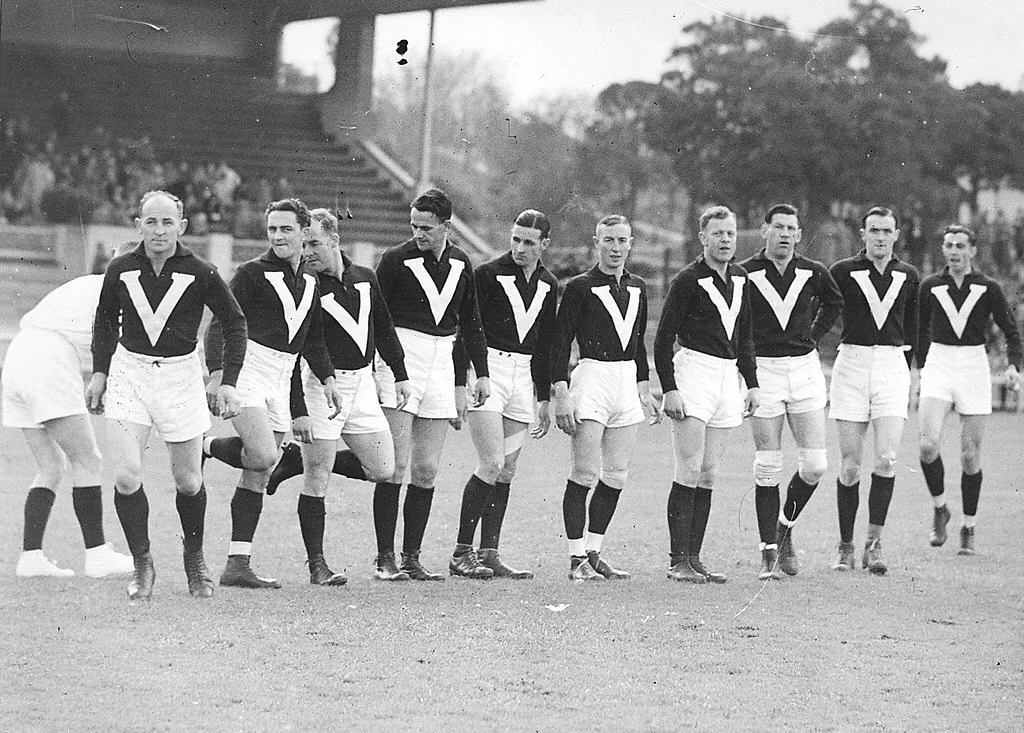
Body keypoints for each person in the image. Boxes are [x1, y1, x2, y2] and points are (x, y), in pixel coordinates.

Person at [85, 190, 247, 600]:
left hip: (179, 377)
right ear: (138, 225)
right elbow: (105, 322)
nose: (159, 230)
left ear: (182, 226)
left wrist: (226, 378)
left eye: (167, 222)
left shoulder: (202, 271)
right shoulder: (120, 267)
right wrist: (100, 372)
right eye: (150, 222)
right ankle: (143, 563)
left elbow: (234, 323)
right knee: (125, 475)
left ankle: (194, 558)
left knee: (190, 481)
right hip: (130, 373)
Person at [203, 198, 341, 589]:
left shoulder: (311, 281)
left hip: (282, 378)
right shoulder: (251, 273)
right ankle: (207, 446)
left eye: (286, 230)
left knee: (259, 472)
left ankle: (237, 563)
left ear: (303, 233)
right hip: (248, 369)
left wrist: (328, 378)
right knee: (263, 455)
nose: (278, 237)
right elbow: (219, 325)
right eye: (272, 230)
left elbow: (311, 340)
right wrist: (219, 377)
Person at [284, 208, 412, 584]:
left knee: (384, 469)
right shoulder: (306, 285)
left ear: (335, 241)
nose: (306, 251)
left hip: (363, 386)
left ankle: (297, 460)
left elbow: (385, 329)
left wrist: (400, 374)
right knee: (318, 478)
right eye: (303, 244)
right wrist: (306, 399)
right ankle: (318, 567)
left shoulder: (365, 278)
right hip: (324, 386)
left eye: (314, 243)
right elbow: (306, 344)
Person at [371, 188, 490, 581]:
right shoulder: (394, 261)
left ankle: (412, 557)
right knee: (396, 465)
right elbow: (377, 321)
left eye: (427, 227)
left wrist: (475, 376)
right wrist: (385, 369)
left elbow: (469, 323)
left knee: (426, 469)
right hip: (401, 359)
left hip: (442, 362)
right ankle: (385, 559)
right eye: (414, 226)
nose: (419, 233)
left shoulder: (461, 262)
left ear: (446, 227)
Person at [448, 209, 559, 579]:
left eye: (529, 242)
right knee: (491, 462)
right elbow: (468, 329)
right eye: (515, 239)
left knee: (507, 470)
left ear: (544, 244)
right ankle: (461, 552)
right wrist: (463, 382)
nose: (520, 248)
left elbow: (544, 344)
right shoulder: (487, 274)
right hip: (488, 372)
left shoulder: (548, 283)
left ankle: (489, 552)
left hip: (522, 377)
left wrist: (543, 396)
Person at [552, 214, 661, 582]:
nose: (616, 248)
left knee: (616, 474)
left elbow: (639, 342)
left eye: (622, 241)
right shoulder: (581, 286)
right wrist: (561, 390)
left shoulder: (639, 286)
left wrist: (644, 386)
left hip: (626, 380)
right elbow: (560, 340)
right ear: (596, 242)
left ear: (631, 243)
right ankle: (575, 558)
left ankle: (595, 552)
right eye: (609, 240)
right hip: (592, 377)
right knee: (584, 472)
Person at [4, 271, 134, 579]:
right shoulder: (118, 289)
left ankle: (31, 558)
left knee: (51, 465)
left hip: (18, 358)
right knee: (88, 460)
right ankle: (97, 554)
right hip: (48, 360)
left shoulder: (85, 285)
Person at [654, 205, 759, 585]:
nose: (726, 240)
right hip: (694, 372)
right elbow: (663, 338)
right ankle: (676, 560)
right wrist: (670, 389)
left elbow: (745, 335)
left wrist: (752, 383)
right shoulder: (687, 279)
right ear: (703, 238)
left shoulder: (743, 278)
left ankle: (694, 558)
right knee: (690, 466)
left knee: (710, 473)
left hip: (726, 377)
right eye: (718, 234)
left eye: (731, 234)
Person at [738, 204, 843, 580]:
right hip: (763, 369)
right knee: (768, 465)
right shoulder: (746, 272)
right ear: (764, 230)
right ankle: (768, 550)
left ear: (799, 235)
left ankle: (785, 527)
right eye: (777, 227)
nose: (784, 233)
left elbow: (834, 303)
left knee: (815, 465)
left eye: (791, 229)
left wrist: (811, 336)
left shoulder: (813, 271)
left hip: (804, 369)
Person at [917, 224, 1022, 555]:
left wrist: (1013, 366)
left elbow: (1010, 329)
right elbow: (919, 329)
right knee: (927, 446)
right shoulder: (931, 285)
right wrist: (920, 368)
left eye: (961, 245)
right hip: (939, 362)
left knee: (969, 454)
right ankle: (940, 508)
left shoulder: (987, 287)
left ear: (972, 251)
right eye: (949, 245)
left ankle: (969, 526)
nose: (954, 251)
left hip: (973, 365)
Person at [828, 206, 919, 575]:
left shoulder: (908, 275)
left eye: (886, 230)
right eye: (873, 230)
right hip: (851, 364)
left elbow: (912, 330)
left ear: (896, 235)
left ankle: (874, 542)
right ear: (863, 234)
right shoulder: (843, 272)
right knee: (850, 466)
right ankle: (845, 545)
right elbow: (823, 312)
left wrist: (910, 374)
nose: (880, 237)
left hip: (891, 366)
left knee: (886, 459)